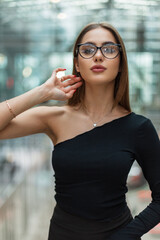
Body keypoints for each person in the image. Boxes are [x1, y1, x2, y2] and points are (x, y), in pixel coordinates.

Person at [0, 22, 160, 240]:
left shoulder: (138, 128)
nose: (98, 56)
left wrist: (126, 236)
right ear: (77, 62)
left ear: (121, 63)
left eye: (109, 49)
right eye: (88, 50)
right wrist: (41, 93)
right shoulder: (55, 118)